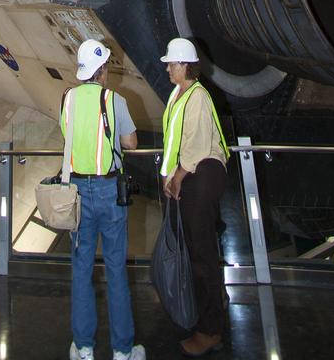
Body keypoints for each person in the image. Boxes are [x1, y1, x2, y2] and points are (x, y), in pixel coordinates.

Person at [62, 38, 146, 360]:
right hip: (110, 194)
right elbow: (131, 142)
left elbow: (67, 135)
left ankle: (83, 347)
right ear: (103, 70)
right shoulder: (114, 100)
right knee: (115, 270)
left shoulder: (66, 100)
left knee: (81, 270)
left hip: (78, 196)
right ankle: (123, 350)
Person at [159, 37, 229, 358]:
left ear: (186, 66)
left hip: (202, 174)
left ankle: (210, 330)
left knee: (201, 252)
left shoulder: (197, 96)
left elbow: (198, 145)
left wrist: (178, 175)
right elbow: (176, 140)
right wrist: (168, 174)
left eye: (172, 64)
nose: (169, 69)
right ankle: (210, 306)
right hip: (188, 175)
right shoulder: (179, 95)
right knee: (197, 248)